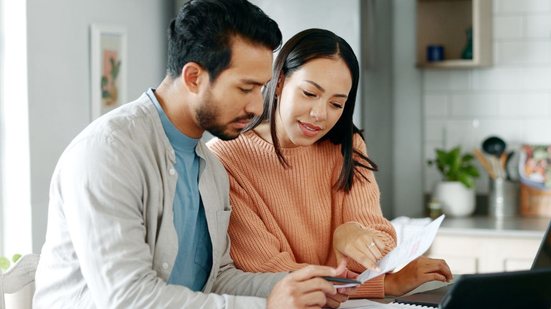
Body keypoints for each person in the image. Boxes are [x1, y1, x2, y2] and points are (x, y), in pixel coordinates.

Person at [33, 2, 346, 308]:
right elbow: (128, 299)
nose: (257, 107)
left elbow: (218, 279)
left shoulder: (211, 167)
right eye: (245, 88)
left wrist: (299, 284)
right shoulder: (108, 153)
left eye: (260, 88)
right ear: (194, 77)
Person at [208, 28, 453, 307]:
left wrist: (351, 235)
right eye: (310, 93)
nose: (320, 115)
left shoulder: (346, 145)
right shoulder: (225, 158)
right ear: (278, 83)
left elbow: (383, 241)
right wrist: (383, 284)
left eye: (337, 103)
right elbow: (268, 271)